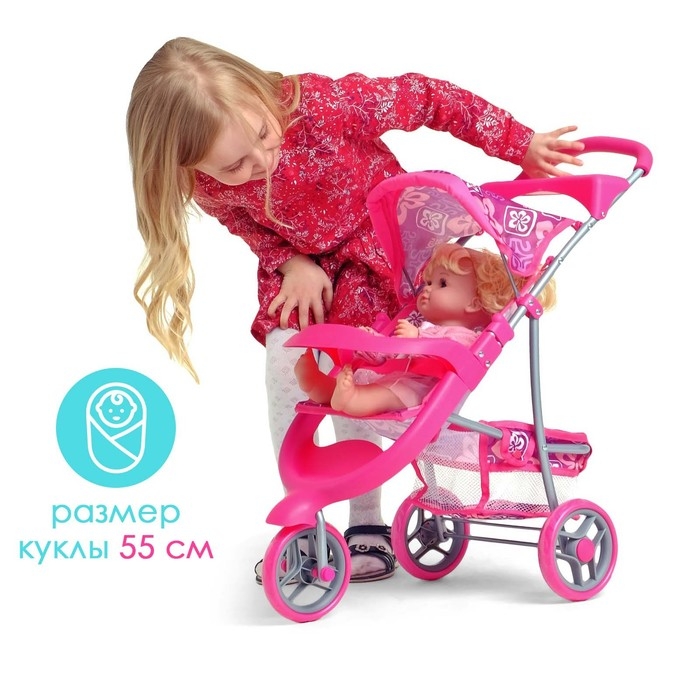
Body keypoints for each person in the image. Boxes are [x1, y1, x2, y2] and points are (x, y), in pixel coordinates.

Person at [126, 36, 584, 584]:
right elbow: (239, 218)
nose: (261, 163)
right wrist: (289, 259)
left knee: (356, 377)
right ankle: (305, 517)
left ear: (261, 94)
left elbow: (427, 96)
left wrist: (518, 143)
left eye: (264, 136)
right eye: (234, 166)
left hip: (374, 258)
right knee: (287, 373)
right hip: (303, 278)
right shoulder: (203, 178)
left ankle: (366, 521)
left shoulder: (325, 107)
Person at [295, 243, 556, 416]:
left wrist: (417, 338)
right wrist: (373, 343)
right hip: (397, 376)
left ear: (474, 303)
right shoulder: (420, 324)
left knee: (384, 393)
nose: (427, 288)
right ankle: (323, 387)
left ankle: (351, 400)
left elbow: (449, 353)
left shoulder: (466, 337)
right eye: (428, 281)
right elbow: (391, 355)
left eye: (441, 283)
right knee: (371, 379)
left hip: (419, 391)